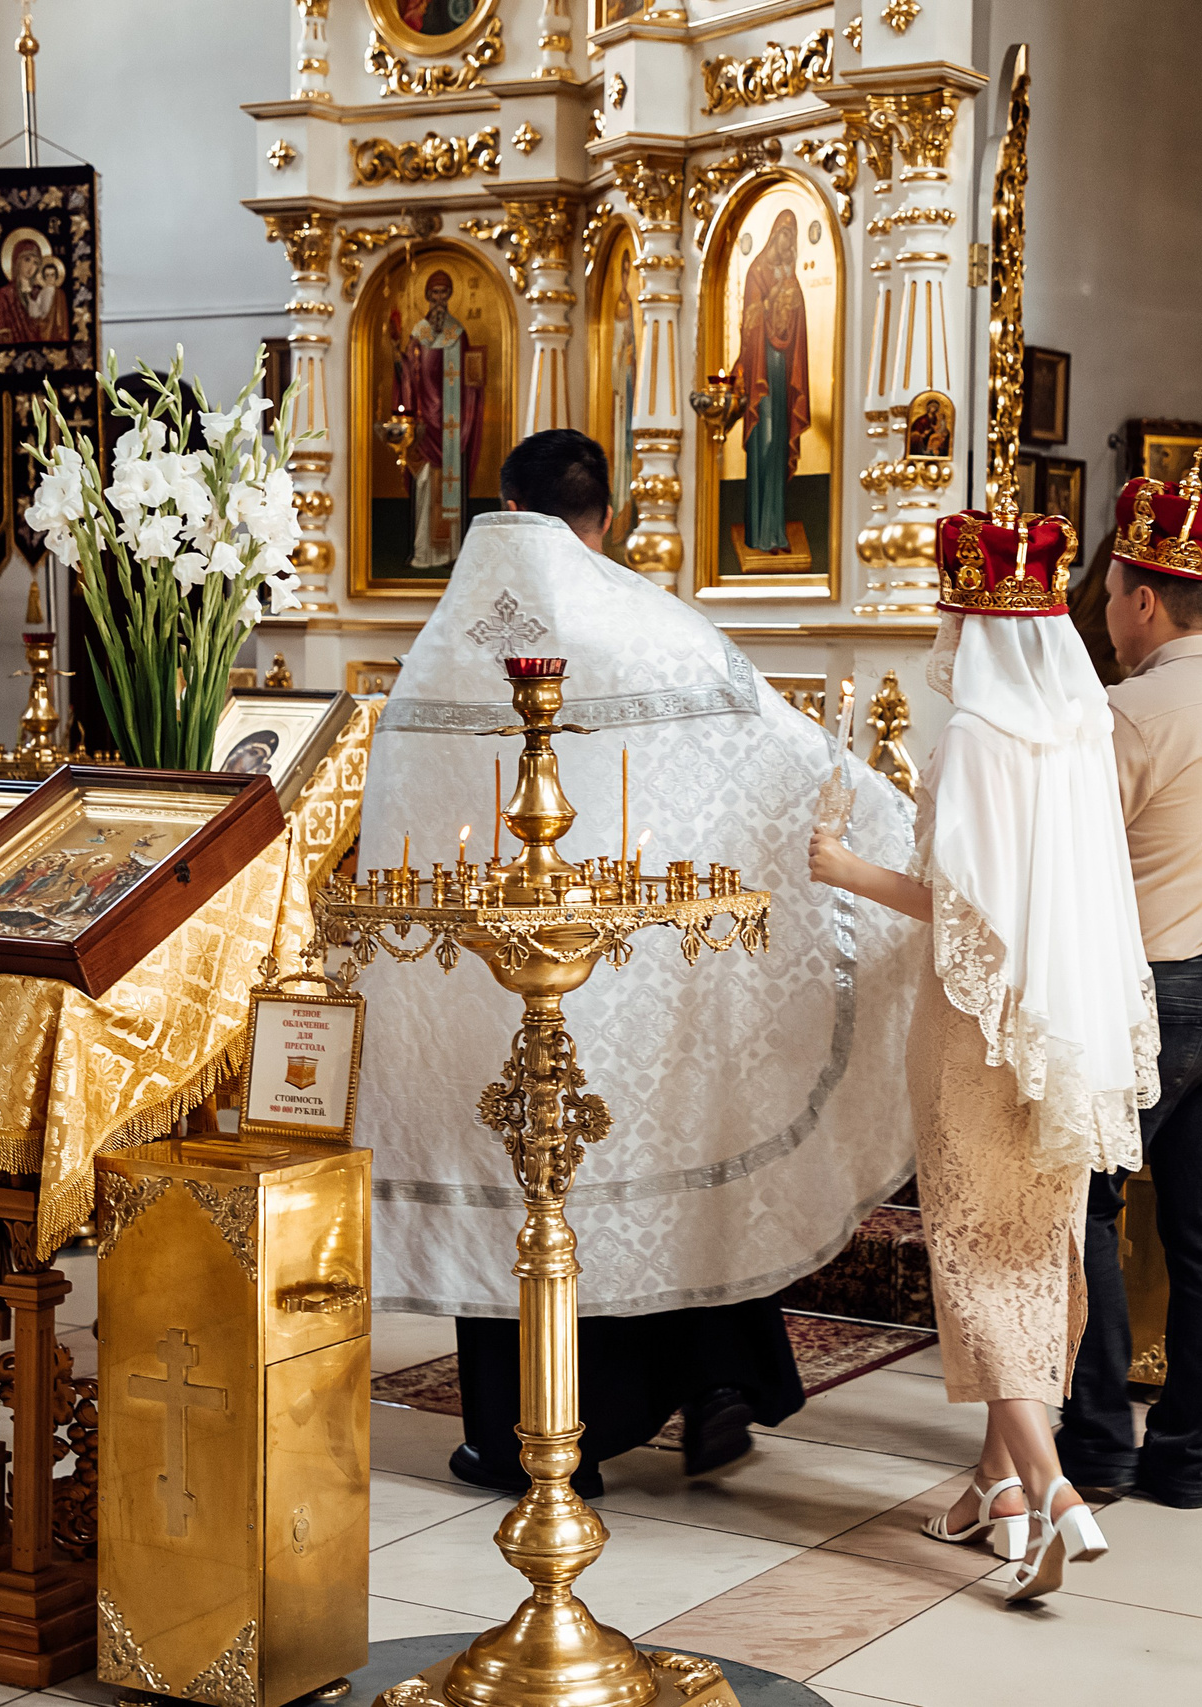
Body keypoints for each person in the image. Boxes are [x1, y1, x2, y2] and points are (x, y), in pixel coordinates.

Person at [357, 427, 922, 1497]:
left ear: (505, 508)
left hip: (490, 972)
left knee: (518, 1165)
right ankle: (712, 1385)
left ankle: (534, 1431)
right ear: (602, 519)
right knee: (685, 1148)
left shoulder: (442, 643)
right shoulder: (656, 632)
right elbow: (780, 760)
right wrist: (901, 838)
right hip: (642, 964)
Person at [809, 506, 1162, 1603]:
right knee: (1039, 1248)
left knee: (971, 1251)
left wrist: (842, 867)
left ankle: (1051, 1487)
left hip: (975, 1025)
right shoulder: (1084, 723)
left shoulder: (972, 736)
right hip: (1074, 1022)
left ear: (970, 626)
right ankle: (995, 1490)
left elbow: (966, 914)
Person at [1056, 450, 1202, 1509]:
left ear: (1143, 600)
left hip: (1156, 993)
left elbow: (1069, 865)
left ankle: (1099, 1443)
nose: (1104, 614)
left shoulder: (1127, 717)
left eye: (1108, 594)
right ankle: (1183, 1455)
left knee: (1089, 1210)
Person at [391, 270, 485, 568]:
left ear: (449, 296)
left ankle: (448, 553)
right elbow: (408, 372)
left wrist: (472, 390)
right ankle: (424, 552)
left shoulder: (458, 333)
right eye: (435, 293)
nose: (439, 299)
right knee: (424, 484)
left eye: (445, 293)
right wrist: (398, 356)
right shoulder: (419, 333)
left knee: (450, 486)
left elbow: (471, 379)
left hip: (452, 422)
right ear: (428, 297)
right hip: (423, 421)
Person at [734, 209, 809, 559]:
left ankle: (775, 531)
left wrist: (790, 304)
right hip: (761, 372)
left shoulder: (792, 279)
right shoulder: (757, 273)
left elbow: (798, 332)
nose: (788, 243)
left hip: (782, 373)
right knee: (762, 443)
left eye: (792, 238)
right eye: (784, 235)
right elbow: (750, 323)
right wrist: (769, 303)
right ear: (774, 236)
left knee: (778, 446)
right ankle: (758, 531)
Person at [0, 231, 69, 346]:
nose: (31, 267)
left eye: (36, 262)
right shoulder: (3, 296)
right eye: (27, 260)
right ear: (16, 261)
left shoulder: (42, 292)